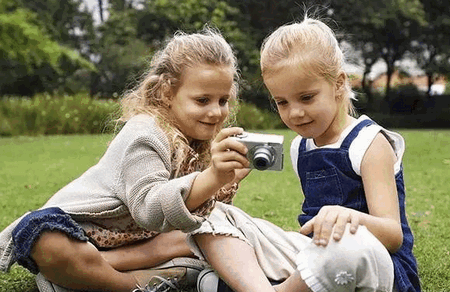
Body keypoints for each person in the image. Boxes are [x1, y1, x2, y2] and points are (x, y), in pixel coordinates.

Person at [0, 27, 252, 292]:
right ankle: (135, 282)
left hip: (142, 242)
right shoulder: (145, 132)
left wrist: (224, 183)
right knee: (45, 239)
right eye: (202, 100)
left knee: (222, 227)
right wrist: (211, 178)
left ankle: (90, 275)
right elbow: (149, 210)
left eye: (223, 100)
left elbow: (192, 217)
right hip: (86, 232)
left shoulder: (204, 143)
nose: (215, 112)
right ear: (167, 92)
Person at [191, 16, 420, 292]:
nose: (295, 113)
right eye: (282, 102)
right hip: (316, 254)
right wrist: (222, 176)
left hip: (376, 264)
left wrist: (351, 219)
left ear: (338, 83)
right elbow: (313, 245)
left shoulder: (369, 143)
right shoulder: (301, 146)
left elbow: (393, 236)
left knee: (343, 249)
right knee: (212, 216)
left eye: (307, 97)